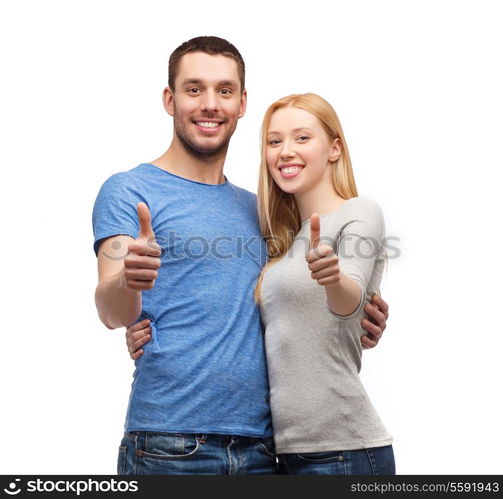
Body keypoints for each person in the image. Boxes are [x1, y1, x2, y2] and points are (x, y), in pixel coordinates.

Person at [94, 36, 389, 476]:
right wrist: (128, 282)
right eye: (194, 89)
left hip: (264, 450)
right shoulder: (128, 191)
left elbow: (300, 298)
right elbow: (111, 309)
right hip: (168, 445)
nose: (210, 103)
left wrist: (363, 309)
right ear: (169, 99)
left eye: (224, 90)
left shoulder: (266, 212)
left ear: (242, 102)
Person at [255, 93, 395, 475]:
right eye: (274, 141)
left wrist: (332, 278)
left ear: (334, 149)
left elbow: (348, 299)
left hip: (344, 450)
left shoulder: (359, 212)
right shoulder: (281, 243)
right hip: (281, 452)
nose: (285, 151)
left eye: (302, 138)